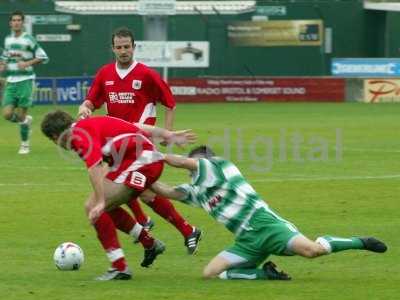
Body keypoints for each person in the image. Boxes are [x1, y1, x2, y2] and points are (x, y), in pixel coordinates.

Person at [150, 145, 388, 280]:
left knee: (312, 251)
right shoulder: (198, 190)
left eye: (196, 163)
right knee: (210, 274)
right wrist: (140, 178)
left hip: (266, 225)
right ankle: (266, 274)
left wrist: (153, 155)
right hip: (246, 241)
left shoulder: (218, 166)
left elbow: (180, 162)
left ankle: (360, 242)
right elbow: (167, 191)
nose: (192, 168)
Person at [77, 27, 201, 254]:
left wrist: (167, 133)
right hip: (115, 145)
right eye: (119, 47)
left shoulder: (146, 74)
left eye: (127, 47)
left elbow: (169, 103)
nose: (123, 51)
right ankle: (182, 228)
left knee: (138, 190)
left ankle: (160, 227)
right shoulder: (105, 74)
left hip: (141, 143)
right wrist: (85, 108)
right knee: (132, 188)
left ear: (134, 48)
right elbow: (91, 101)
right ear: (112, 48)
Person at [40, 110, 196, 280]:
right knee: (97, 206)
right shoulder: (85, 126)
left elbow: (95, 166)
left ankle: (120, 267)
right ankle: (149, 242)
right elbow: (134, 126)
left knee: (96, 206)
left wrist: (100, 201)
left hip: (142, 162)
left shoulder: (77, 135)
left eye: (52, 140)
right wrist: (166, 134)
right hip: (133, 161)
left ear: (55, 136)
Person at [0, 10, 48, 154]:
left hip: (26, 80)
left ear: (22, 22)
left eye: (19, 20)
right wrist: (2, 64)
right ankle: (26, 121)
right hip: (11, 81)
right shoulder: (8, 40)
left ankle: (25, 144)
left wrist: (27, 63)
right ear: (10, 23)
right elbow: (5, 57)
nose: (16, 22)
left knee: (20, 114)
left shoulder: (28, 39)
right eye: (14, 20)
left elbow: (43, 56)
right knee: (7, 114)